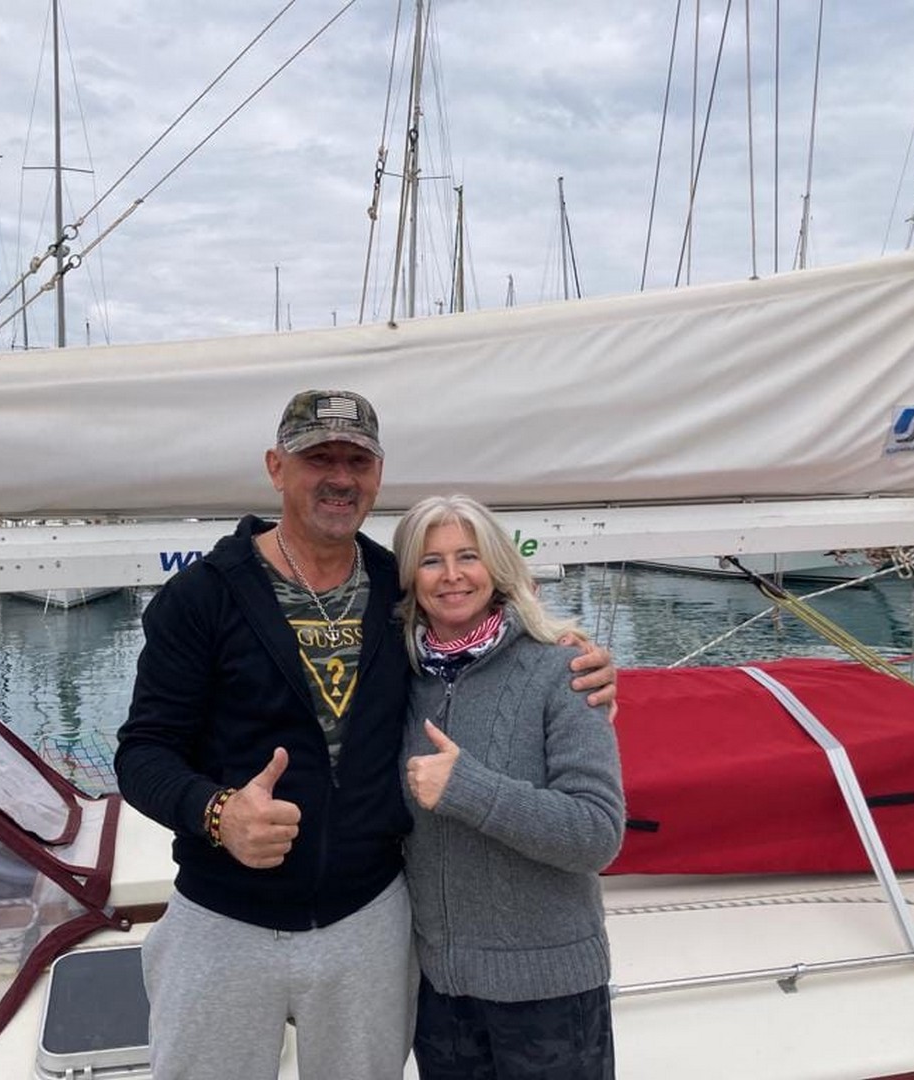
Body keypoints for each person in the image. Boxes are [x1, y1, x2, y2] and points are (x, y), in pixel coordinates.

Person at [114, 390, 617, 1080]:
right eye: (318, 458)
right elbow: (143, 753)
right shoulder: (203, 597)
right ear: (276, 467)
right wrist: (218, 812)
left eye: (357, 460)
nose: (340, 477)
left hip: (367, 920)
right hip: (224, 917)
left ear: (378, 473)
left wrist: (574, 656)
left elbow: (484, 631)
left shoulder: (397, 590)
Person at [395, 493, 625, 1080]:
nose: (451, 575)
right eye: (431, 560)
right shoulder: (398, 679)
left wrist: (468, 788)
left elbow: (597, 833)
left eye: (467, 556)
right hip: (441, 997)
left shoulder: (562, 669)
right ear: (411, 578)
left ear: (496, 566)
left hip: (549, 995)